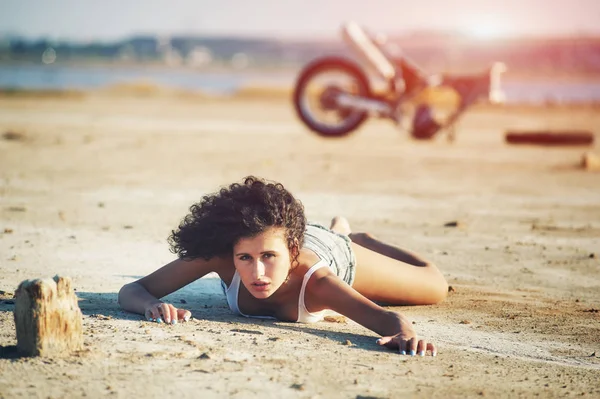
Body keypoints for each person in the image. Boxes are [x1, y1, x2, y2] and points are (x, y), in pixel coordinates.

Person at [118, 176, 448, 356]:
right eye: (244, 258)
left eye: (268, 258)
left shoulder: (317, 282)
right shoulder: (220, 257)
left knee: (436, 287)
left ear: (290, 252)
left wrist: (406, 337)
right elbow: (132, 290)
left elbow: (388, 318)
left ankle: (358, 237)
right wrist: (152, 305)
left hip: (336, 253)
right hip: (291, 235)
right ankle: (337, 229)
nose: (256, 273)